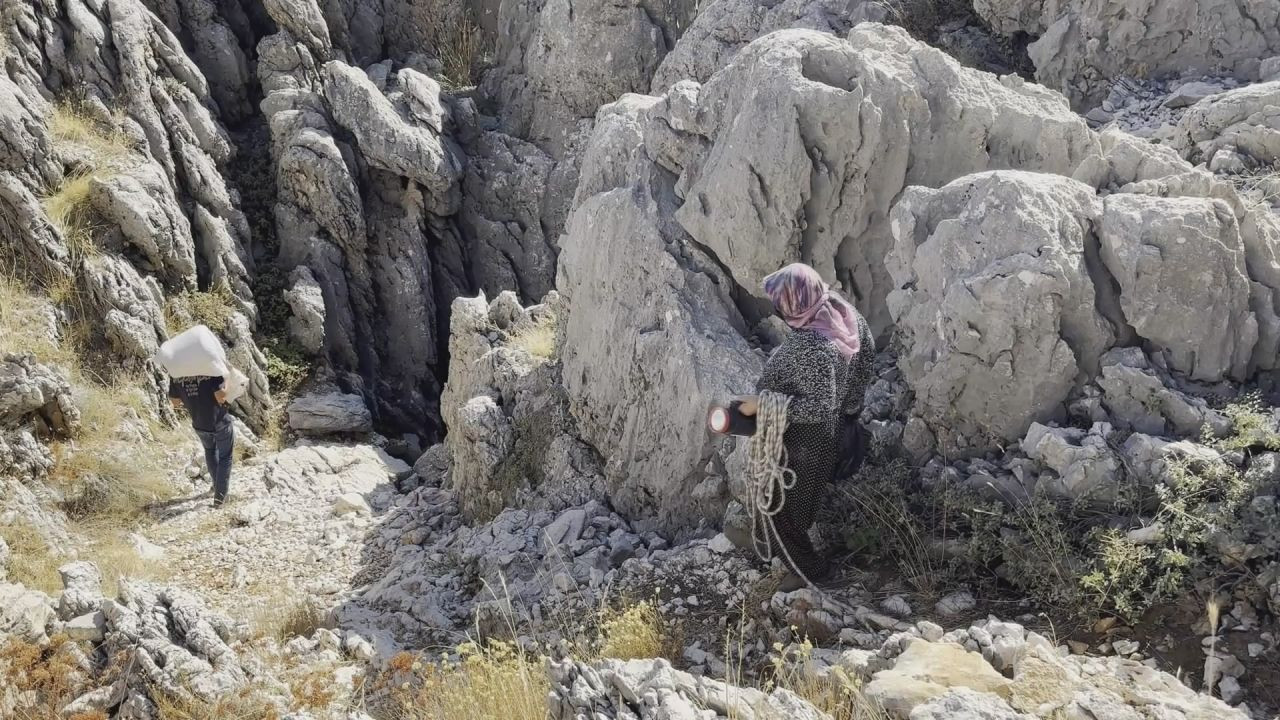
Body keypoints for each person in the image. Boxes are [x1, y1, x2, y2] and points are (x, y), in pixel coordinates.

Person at [738, 262, 874, 591]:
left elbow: (818, 408)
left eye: (781, 305)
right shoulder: (845, 315)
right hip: (846, 421)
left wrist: (764, 404)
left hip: (814, 436)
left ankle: (811, 571)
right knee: (799, 501)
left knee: (783, 509)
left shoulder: (815, 347)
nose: (779, 311)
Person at [169, 375, 234, 507]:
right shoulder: (209, 368)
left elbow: (175, 403)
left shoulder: (176, 373)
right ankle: (220, 499)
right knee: (225, 457)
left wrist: (191, 401)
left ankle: (217, 488)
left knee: (210, 451)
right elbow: (221, 397)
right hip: (219, 421)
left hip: (199, 423)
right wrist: (228, 381)